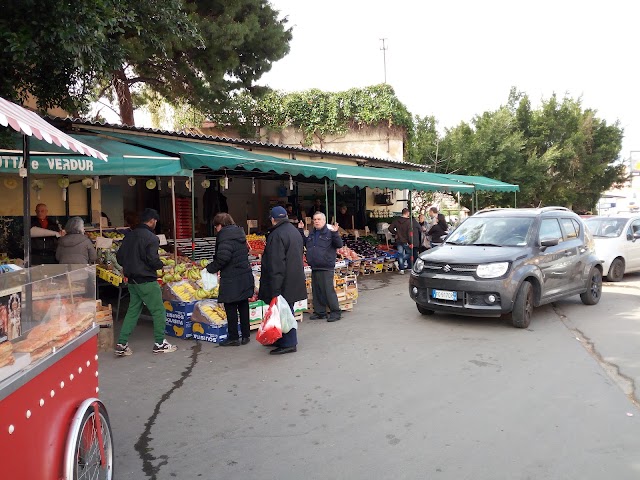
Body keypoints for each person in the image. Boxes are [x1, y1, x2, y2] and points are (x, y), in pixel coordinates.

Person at [114, 208, 177, 356]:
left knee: (133, 310)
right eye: (155, 221)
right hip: (147, 280)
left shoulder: (129, 236)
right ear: (152, 220)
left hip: (132, 281)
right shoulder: (151, 238)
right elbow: (152, 260)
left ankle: (121, 343)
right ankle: (160, 343)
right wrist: (161, 265)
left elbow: (119, 258)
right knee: (158, 310)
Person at [258, 206, 306, 355]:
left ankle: (289, 343)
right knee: (284, 311)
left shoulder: (276, 235)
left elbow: (276, 263)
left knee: (285, 312)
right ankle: (280, 338)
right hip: (294, 278)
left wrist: (275, 288)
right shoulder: (294, 231)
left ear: (273, 219)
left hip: (283, 281)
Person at [206, 213, 254, 346]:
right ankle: (246, 335)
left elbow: (223, 257)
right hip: (244, 274)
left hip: (231, 277)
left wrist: (210, 268)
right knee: (243, 304)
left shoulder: (225, 237)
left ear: (220, 225)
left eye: (216, 227)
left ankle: (233, 337)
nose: (216, 229)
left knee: (230, 306)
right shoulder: (240, 233)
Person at [302, 212, 343, 322]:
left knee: (328, 290)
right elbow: (306, 244)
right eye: (315, 219)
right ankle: (320, 312)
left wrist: (335, 233)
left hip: (326, 266)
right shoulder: (312, 233)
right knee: (317, 290)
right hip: (315, 266)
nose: (316, 221)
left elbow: (339, 244)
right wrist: (301, 231)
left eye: (319, 219)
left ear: (324, 221)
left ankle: (335, 312)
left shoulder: (329, 232)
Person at [388, 208, 412, 274]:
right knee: (410, 253)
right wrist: (410, 241)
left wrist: (396, 233)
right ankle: (407, 266)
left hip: (398, 240)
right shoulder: (409, 221)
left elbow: (390, 228)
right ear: (407, 213)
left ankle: (402, 269)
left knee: (400, 254)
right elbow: (409, 233)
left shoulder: (396, 220)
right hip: (406, 240)